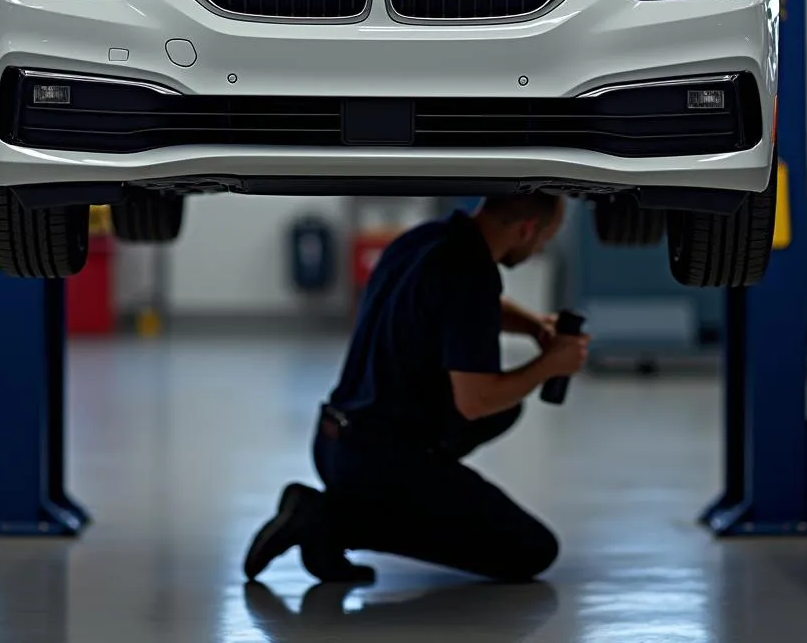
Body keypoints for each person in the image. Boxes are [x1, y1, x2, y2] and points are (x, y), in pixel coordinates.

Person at [243, 193, 590, 585]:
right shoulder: (471, 274)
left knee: (506, 409)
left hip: (334, 441)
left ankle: (375, 504)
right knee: (532, 550)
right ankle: (328, 521)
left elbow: (475, 306)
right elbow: (476, 401)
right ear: (527, 229)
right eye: (544, 240)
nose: (539, 248)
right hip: (380, 462)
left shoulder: (426, 239)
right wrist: (550, 366)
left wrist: (534, 326)